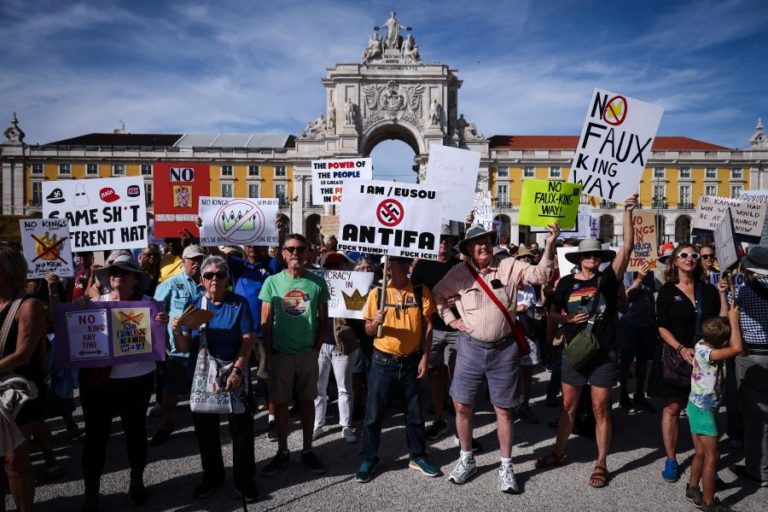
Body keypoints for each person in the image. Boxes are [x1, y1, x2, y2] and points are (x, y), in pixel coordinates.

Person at [432, 221, 559, 493]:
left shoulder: (509, 265)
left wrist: (549, 245)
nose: (484, 245)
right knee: (462, 405)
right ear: (467, 248)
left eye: (488, 240)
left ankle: (506, 465)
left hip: (504, 349)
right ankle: (467, 459)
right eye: (477, 242)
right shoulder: (458, 273)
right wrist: (451, 320)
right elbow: (437, 295)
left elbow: (541, 276)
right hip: (469, 348)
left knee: (503, 409)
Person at [535, 194, 637, 489]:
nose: (593, 259)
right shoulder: (566, 284)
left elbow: (627, 248)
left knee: (601, 408)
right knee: (568, 406)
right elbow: (551, 315)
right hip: (573, 353)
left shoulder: (607, 280)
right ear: (579, 258)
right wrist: (567, 321)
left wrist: (627, 210)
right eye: (588, 255)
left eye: (597, 256)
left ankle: (601, 463)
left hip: (603, 353)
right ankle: (558, 451)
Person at [80, 255, 168, 511]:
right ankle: (91, 491)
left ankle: (136, 481)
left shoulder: (149, 305)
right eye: (114, 270)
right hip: (100, 382)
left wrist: (160, 324)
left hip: (136, 379)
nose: (117, 274)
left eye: (124, 271)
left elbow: (162, 342)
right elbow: (72, 327)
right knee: (96, 437)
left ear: (136, 279)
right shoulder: (95, 303)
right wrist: (81, 304)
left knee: (136, 433)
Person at [171, 255, 258, 503]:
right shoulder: (196, 306)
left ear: (227, 278)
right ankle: (212, 476)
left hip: (234, 371)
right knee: (206, 433)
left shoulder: (238, 304)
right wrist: (177, 331)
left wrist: (238, 371)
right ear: (201, 279)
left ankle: (244, 480)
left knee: (241, 431)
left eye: (220, 274)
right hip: (204, 374)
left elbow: (248, 340)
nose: (215, 279)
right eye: (209, 275)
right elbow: (185, 345)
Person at [355, 256, 441, 483]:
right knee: (373, 415)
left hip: (411, 362)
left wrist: (425, 357)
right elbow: (368, 330)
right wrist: (375, 321)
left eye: (406, 261)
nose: (403, 265)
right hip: (383, 363)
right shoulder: (378, 293)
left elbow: (428, 327)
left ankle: (418, 456)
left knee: (415, 415)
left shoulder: (421, 292)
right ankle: (369, 458)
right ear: (388, 266)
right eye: (397, 261)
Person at [648, 243, 726, 484]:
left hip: (703, 360)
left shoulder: (708, 290)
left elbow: (721, 321)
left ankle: (704, 466)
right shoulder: (668, 291)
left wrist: (723, 293)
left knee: (701, 413)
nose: (690, 258)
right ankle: (671, 459)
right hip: (675, 356)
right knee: (672, 408)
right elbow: (661, 326)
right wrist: (681, 348)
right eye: (684, 255)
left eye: (694, 255)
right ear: (675, 261)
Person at [259, 234, 330, 476]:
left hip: (307, 354)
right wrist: (270, 353)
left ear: (308, 253)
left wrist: (316, 348)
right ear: (282, 253)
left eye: (301, 248)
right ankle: (282, 451)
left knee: (308, 403)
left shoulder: (317, 283)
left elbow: (324, 320)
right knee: (280, 405)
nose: (296, 253)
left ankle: (308, 450)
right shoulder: (272, 282)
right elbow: (265, 322)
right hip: (281, 354)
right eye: (290, 249)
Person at [0, 246, 46, 512]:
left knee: (15, 461)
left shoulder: (29, 306)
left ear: (7, 271)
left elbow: (22, 355)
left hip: (20, 394)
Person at [685, 309, 743, 511]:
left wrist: (724, 296)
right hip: (704, 411)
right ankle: (709, 503)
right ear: (723, 342)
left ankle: (693, 488)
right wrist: (735, 323)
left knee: (700, 452)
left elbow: (721, 330)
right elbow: (737, 347)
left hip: (695, 406)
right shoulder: (711, 353)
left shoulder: (701, 344)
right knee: (713, 456)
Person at [410, 227, 462, 442]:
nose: (443, 244)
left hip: (457, 328)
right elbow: (414, 294)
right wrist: (432, 300)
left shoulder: (460, 266)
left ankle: (461, 425)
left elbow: (470, 290)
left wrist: (458, 297)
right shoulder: (423, 265)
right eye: (440, 240)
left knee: (457, 378)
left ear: (452, 243)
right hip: (433, 329)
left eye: (447, 240)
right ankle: (439, 419)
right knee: (435, 375)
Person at [150, 245, 205, 446]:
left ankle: (201, 425)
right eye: (193, 259)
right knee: (171, 390)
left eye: (200, 259)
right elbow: (154, 313)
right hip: (177, 347)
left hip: (201, 346)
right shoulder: (171, 283)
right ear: (184, 261)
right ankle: (167, 424)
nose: (197, 263)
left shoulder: (207, 283)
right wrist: (161, 341)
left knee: (198, 389)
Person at [730, 246, 768, 487]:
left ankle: (759, 469)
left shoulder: (741, 291)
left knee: (756, 418)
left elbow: (729, 321)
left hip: (751, 354)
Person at [313, 252, 358, 443]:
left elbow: (359, 318)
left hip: (343, 344)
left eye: (338, 265)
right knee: (317, 388)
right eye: (330, 266)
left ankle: (346, 425)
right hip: (320, 344)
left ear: (344, 267)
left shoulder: (354, 286)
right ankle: (317, 424)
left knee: (344, 387)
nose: (334, 269)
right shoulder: (315, 287)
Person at [618, 262, 658, 412]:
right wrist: (639, 278)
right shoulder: (625, 271)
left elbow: (650, 295)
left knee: (643, 361)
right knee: (626, 360)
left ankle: (639, 393)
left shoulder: (650, 271)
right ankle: (623, 394)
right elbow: (625, 297)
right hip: (629, 323)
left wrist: (653, 316)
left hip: (647, 323)